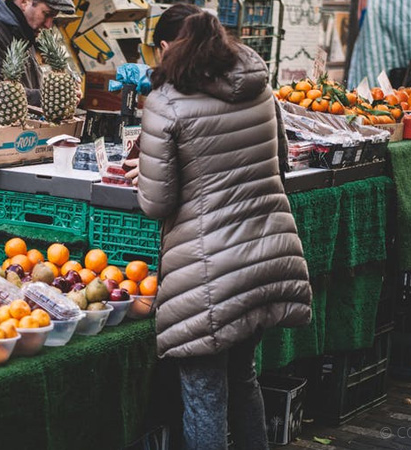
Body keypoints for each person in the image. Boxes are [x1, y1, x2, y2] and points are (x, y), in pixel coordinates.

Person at [131, 6, 313, 450]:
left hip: (209, 271)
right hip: (268, 255)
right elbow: (281, 163)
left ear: (168, 48)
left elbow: (155, 203)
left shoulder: (166, 104)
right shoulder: (260, 89)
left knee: (205, 395)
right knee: (243, 378)